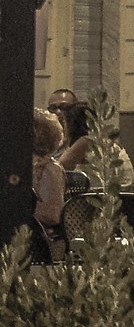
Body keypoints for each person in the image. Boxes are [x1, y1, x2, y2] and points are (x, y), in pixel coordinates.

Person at [29, 106, 70, 262]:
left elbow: (53, 215)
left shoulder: (49, 169)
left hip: (42, 244)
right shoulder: (21, 167)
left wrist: (20, 206)